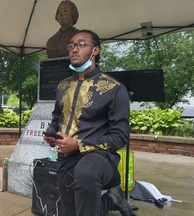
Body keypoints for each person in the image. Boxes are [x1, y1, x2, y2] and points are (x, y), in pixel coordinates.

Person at [44, 30, 136, 216]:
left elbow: (120, 136)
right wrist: (52, 134)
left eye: (81, 44)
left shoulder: (114, 89)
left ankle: (110, 194)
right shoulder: (63, 86)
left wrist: (77, 144)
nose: (74, 49)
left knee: (86, 172)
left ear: (95, 51)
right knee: (74, 211)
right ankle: (110, 199)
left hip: (100, 159)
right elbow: (56, 118)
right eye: (71, 45)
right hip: (67, 159)